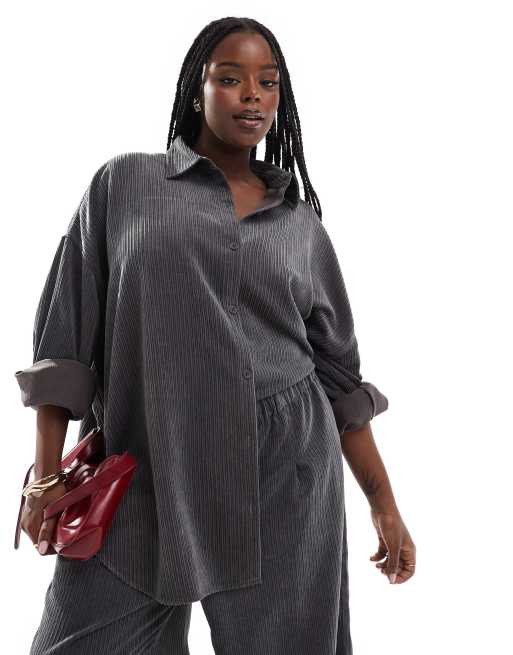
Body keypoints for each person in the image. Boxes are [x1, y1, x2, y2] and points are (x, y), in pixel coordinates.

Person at [15, 16, 416, 655]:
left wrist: (384, 504)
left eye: (267, 82)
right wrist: (45, 478)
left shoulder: (299, 226)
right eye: (230, 79)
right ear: (196, 90)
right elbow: (64, 345)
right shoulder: (125, 185)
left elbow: (341, 383)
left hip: (281, 480)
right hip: (142, 476)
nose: (251, 95)